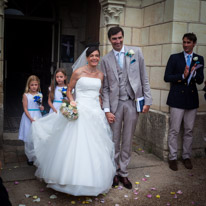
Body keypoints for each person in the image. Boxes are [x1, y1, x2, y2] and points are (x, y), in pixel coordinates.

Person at [25, 46, 116, 196]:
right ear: (87, 57)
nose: (94, 58)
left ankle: (93, 181)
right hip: (80, 111)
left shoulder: (100, 75)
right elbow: (69, 90)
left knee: (96, 145)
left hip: (95, 112)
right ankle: (68, 178)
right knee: (76, 144)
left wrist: (101, 105)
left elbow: (99, 93)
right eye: (91, 55)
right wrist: (72, 101)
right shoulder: (78, 72)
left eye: (97, 56)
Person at [100, 26, 152, 189]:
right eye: (114, 39)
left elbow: (144, 77)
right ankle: (114, 171)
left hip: (131, 101)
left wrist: (147, 100)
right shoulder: (105, 60)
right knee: (114, 139)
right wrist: (107, 110)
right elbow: (105, 88)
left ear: (123, 37)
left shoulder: (135, 52)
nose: (118, 41)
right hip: (115, 104)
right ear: (110, 40)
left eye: (120, 38)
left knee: (128, 138)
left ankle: (124, 172)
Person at [164, 33, 204, 171]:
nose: (186, 45)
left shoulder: (199, 59)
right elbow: (167, 77)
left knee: (189, 130)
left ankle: (186, 156)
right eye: (184, 42)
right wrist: (183, 75)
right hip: (177, 99)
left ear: (194, 43)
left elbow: (200, 80)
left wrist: (193, 74)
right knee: (174, 130)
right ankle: (173, 158)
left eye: (188, 42)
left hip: (191, 99)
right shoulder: (174, 58)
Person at [18, 75, 44, 165]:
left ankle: (36, 155)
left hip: (37, 115)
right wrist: (30, 118)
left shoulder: (40, 95)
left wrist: (41, 107)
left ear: (38, 85)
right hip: (28, 116)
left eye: (36, 85)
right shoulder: (26, 95)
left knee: (36, 136)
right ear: (28, 85)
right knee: (28, 137)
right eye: (32, 85)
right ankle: (29, 157)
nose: (34, 87)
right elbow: (25, 108)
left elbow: (40, 107)